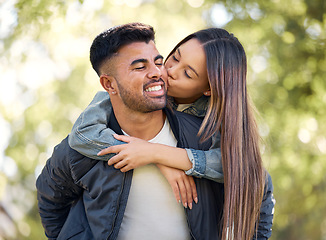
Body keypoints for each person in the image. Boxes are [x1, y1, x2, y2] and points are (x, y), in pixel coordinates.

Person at [67, 26, 275, 239]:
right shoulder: (129, 93)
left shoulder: (215, 123)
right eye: (174, 58)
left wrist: (156, 153)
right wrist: (153, 158)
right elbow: (83, 134)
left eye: (187, 73)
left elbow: (236, 167)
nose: (169, 72)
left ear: (209, 89)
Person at [37, 22, 222, 240]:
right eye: (140, 67)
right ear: (109, 85)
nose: (159, 72)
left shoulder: (202, 135)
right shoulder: (83, 148)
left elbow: (256, 191)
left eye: (158, 62)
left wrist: (155, 153)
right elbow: (49, 197)